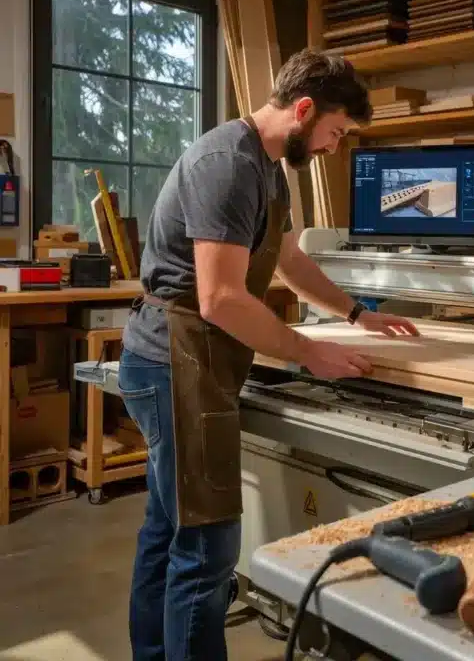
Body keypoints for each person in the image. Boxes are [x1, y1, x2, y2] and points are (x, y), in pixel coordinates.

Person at [118, 49, 420, 661]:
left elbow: (290, 261)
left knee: (166, 534)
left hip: (192, 359)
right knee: (206, 551)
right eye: (335, 132)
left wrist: (357, 313)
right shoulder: (229, 163)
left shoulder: (269, 166)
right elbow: (222, 298)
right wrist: (308, 351)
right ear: (304, 110)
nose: (335, 147)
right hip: (174, 360)